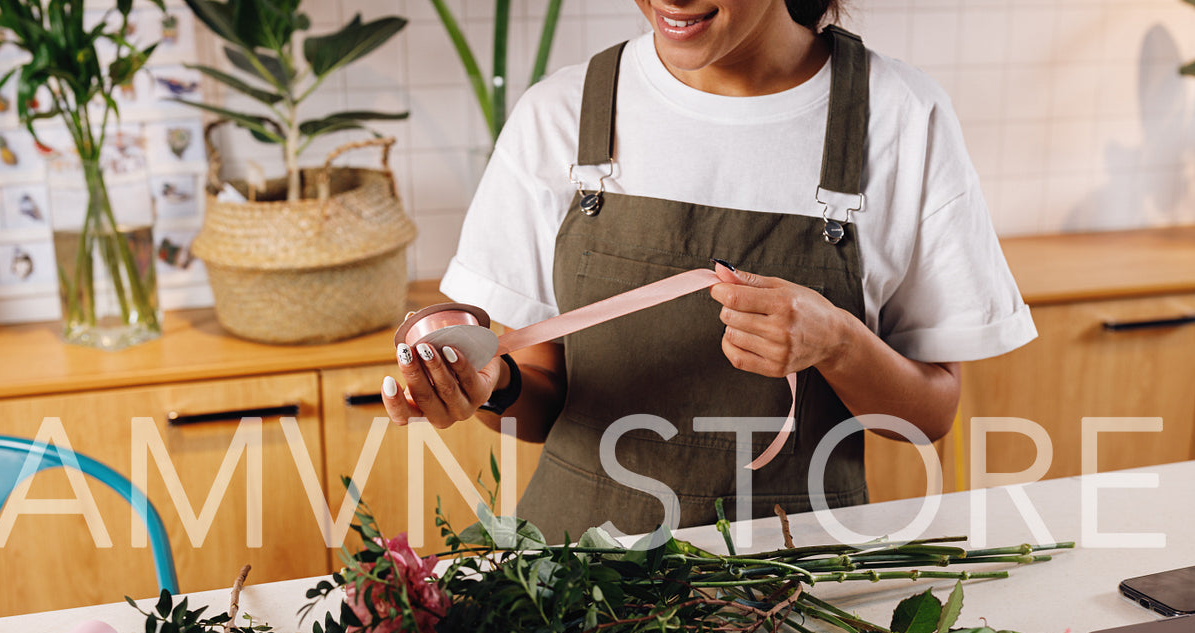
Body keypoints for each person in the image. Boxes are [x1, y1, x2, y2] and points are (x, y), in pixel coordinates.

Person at [382, 0, 1036, 542]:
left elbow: (928, 415)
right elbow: (542, 407)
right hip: (582, 577)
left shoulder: (900, 117)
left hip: (795, 589)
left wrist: (837, 342)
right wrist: (490, 386)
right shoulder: (560, 114)